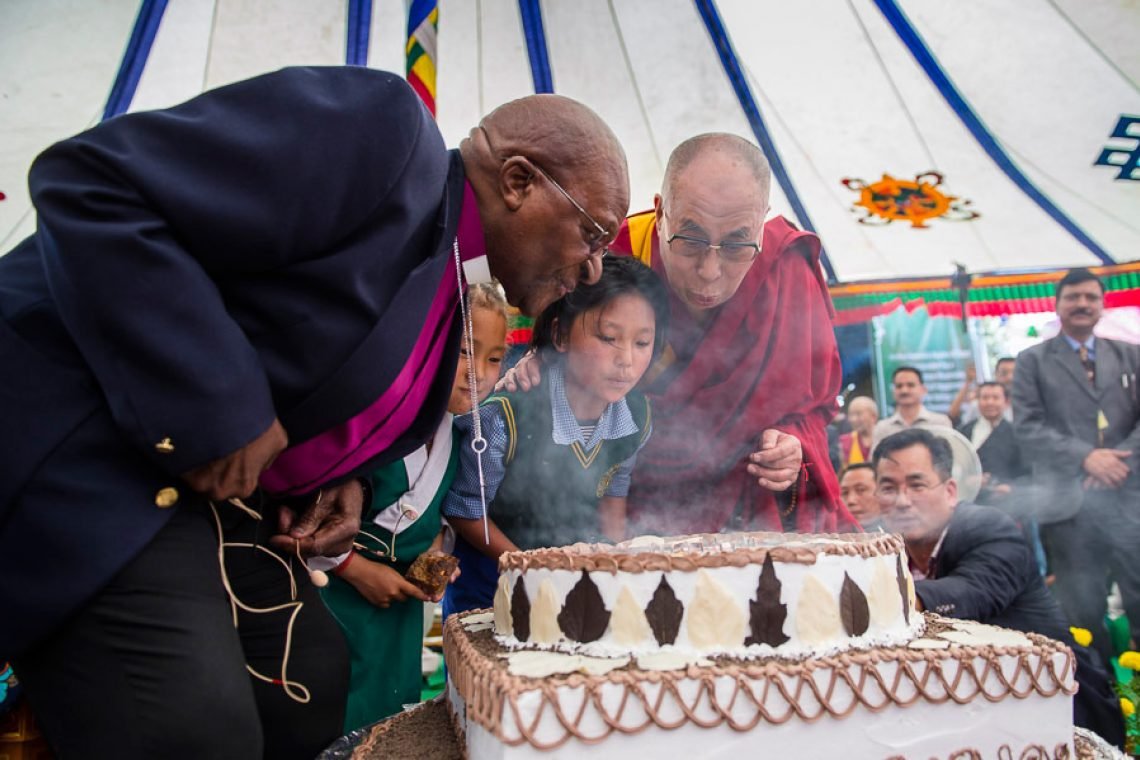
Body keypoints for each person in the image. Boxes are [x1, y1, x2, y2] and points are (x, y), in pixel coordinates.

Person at [0, 66, 629, 758]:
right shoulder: (384, 133)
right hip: (80, 447)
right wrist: (222, 409)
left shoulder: (451, 288)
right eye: (594, 232)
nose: (597, 267)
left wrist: (343, 479)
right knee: (193, 732)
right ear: (518, 181)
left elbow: (300, 352)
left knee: (313, 677)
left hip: (197, 503)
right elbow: (88, 183)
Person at [504, 133, 856, 535]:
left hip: (749, 515)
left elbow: (818, 404)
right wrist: (546, 370)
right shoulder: (608, 259)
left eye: (738, 245)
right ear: (660, 211)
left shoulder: (786, 267)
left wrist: (793, 443)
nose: (709, 271)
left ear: (762, 223)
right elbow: (559, 379)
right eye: (689, 241)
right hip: (625, 509)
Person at [319, 283, 507, 732]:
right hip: (333, 598)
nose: (477, 373)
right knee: (327, 717)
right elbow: (307, 516)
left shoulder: (461, 435)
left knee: (385, 723)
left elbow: (437, 517)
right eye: (464, 351)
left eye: (495, 358)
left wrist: (436, 557)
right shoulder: (370, 423)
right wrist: (354, 570)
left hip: (398, 616)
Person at [443, 256, 669, 616]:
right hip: (491, 591)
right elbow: (465, 510)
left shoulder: (636, 418)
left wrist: (616, 561)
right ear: (560, 333)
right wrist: (530, 567)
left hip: (572, 590)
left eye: (642, 343)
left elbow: (614, 491)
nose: (626, 360)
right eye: (609, 337)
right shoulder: (503, 417)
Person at [871, 429, 1125, 746]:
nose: (902, 500)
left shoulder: (988, 528)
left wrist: (871, 599)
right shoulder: (880, 551)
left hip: (1058, 712)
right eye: (888, 488)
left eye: (917, 484)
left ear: (950, 491)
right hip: (957, 719)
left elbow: (969, 593)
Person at [1013, 268, 1140, 666]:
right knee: (1081, 612)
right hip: (1068, 507)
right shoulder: (1032, 361)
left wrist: (1117, 462)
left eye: (1090, 297)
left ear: (1102, 305)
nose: (1083, 304)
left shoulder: (1130, 355)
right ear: (1057, 305)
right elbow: (1027, 426)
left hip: (1129, 501)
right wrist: (1087, 457)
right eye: (1073, 297)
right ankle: (1099, 701)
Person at [958, 382, 1027, 506]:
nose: (990, 402)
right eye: (984, 398)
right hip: (970, 502)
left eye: (995, 398)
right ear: (977, 401)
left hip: (1006, 503)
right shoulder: (964, 431)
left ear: (1006, 402)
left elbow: (1026, 471)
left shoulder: (1017, 434)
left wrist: (1011, 487)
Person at [871, 366, 952, 451]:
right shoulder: (882, 428)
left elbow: (949, 459)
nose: (904, 390)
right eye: (899, 386)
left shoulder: (940, 423)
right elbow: (876, 461)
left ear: (923, 389)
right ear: (893, 391)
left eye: (910, 385)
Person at [839, 463, 882, 532]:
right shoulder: (832, 538)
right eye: (845, 493)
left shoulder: (902, 535)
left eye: (861, 490)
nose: (851, 500)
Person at [839, 396, 878, 467]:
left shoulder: (885, 437)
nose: (853, 419)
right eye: (851, 415)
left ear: (873, 416)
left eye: (858, 414)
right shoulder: (845, 442)